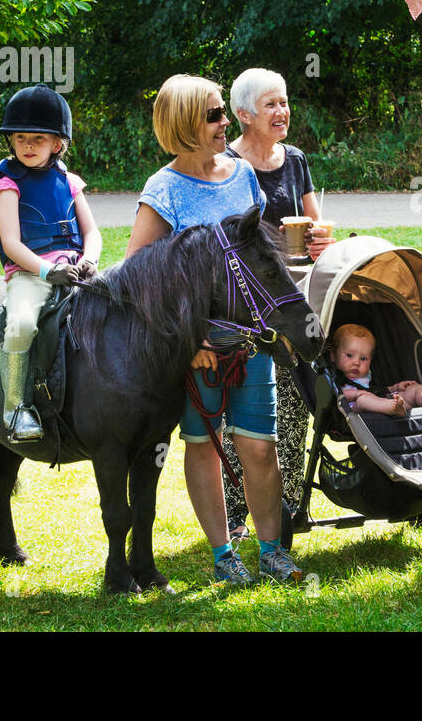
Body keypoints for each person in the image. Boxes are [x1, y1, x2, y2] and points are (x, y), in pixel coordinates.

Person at [126, 74, 302, 587]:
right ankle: (225, 555)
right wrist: (191, 340)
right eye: (212, 115)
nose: (224, 122)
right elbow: (137, 272)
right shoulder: (163, 190)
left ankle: (272, 551)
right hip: (199, 353)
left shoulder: (243, 174)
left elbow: (256, 250)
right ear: (184, 125)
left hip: (252, 344)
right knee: (202, 445)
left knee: (259, 446)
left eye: (223, 111)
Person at [220, 68, 332, 539]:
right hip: (245, 301)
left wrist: (322, 236)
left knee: (294, 398)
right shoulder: (226, 165)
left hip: (294, 294)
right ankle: (233, 510)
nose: (282, 111)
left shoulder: (296, 161)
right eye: (271, 104)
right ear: (244, 114)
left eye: (284, 102)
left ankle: (286, 505)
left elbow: (314, 224)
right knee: (240, 406)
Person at [0, 83, 101, 443]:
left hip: (76, 270)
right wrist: (50, 271)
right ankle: (16, 407)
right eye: (21, 137)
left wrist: (90, 260)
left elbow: (92, 232)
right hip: (30, 274)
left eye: (38, 138)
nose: (29, 145)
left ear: (57, 143)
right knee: (20, 324)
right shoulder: (6, 183)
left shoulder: (68, 181)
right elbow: (11, 244)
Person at [332, 324, 422, 417]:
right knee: (363, 400)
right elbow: (336, 395)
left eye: (363, 358)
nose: (356, 362)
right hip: (356, 409)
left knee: (412, 388)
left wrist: (395, 388)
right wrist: (357, 394)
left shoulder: (369, 375)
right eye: (349, 355)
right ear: (333, 356)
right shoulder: (335, 376)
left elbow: (379, 390)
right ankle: (392, 408)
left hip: (387, 402)